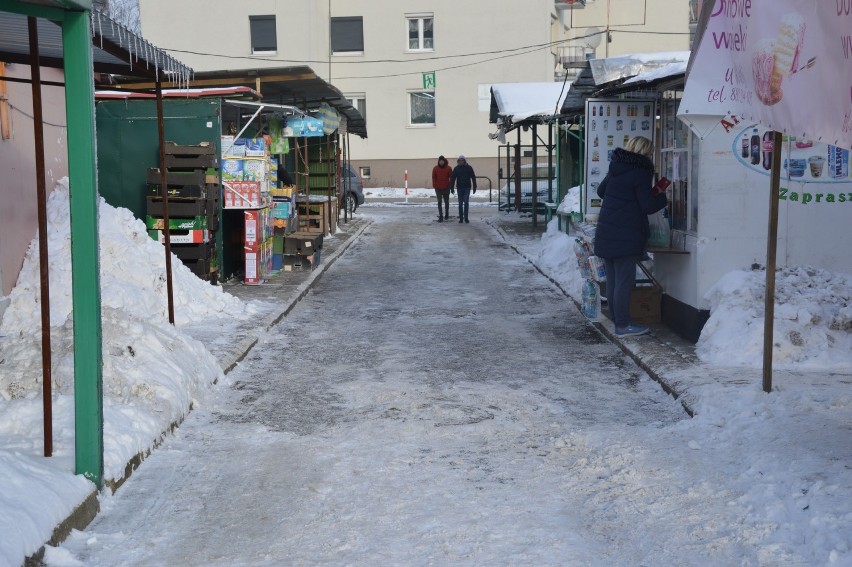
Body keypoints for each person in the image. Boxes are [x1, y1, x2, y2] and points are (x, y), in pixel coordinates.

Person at [593, 136, 668, 337]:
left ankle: (617, 320)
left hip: (606, 233)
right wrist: (661, 196)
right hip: (625, 235)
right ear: (646, 153)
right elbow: (647, 205)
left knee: (613, 281)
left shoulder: (616, 167)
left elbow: (601, 191)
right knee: (625, 282)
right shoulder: (640, 172)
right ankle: (623, 325)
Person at [450, 155, 477, 224]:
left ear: (464, 161)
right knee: (460, 203)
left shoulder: (469, 168)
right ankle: (461, 218)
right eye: (460, 160)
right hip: (459, 188)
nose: (461, 161)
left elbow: (473, 177)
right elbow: (453, 178)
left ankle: (466, 218)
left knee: (466, 203)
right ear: (458, 161)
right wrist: (451, 187)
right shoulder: (456, 168)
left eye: (462, 160)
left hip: (467, 188)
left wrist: (474, 186)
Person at [431, 155, 453, 222]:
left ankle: (447, 214)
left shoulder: (449, 168)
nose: (441, 162)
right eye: (440, 161)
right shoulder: (435, 168)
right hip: (438, 188)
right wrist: (434, 185)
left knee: (446, 202)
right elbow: (433, 177)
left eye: (442, 161)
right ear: (438, 161)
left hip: (446, 187)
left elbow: (451, 177)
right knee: (439, 202)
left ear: (444, 161)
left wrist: (450, 185)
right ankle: (441, 215)